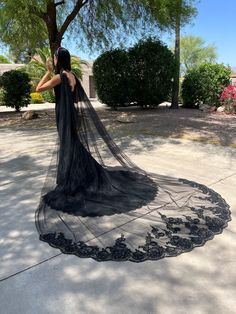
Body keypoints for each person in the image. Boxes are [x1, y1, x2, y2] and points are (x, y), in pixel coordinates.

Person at [35, 47, 230, 262]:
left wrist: (46, 70)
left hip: (64, 117)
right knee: (73, 147)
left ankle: (73, 181)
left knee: (69, 147)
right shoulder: (71, 75)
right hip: (69, 116)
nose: (53, 59)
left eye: (54, 58)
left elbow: (38, 88)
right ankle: (79, 176)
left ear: (59, 60)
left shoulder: (57, 77)